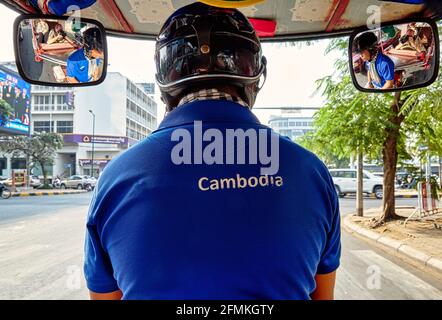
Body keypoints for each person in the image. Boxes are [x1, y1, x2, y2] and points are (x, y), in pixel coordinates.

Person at [84, 2, 341, 300]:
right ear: (254, 77)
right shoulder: (310, 172)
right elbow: (323, 295)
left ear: (165, 79)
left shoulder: (116, 177)